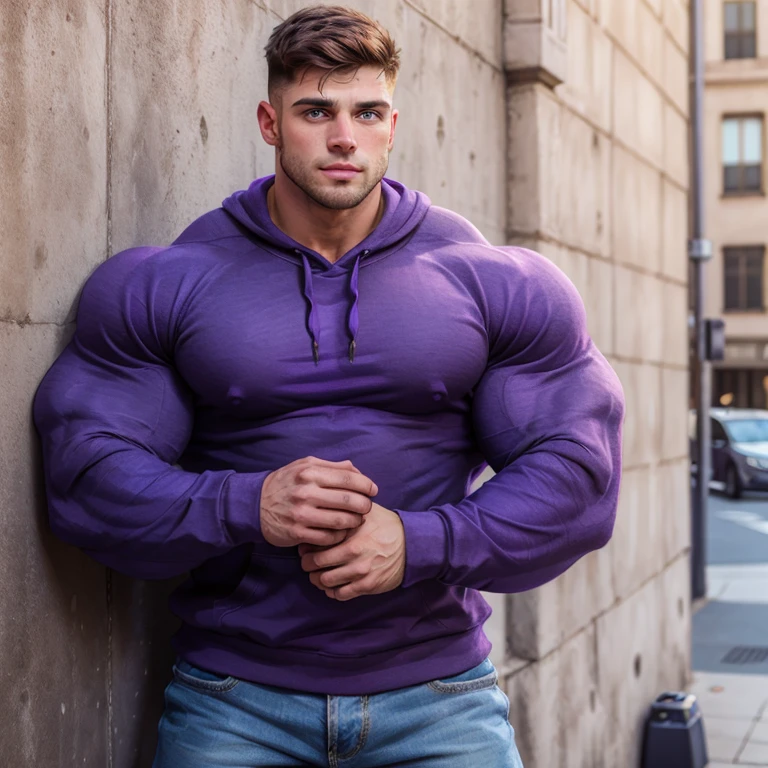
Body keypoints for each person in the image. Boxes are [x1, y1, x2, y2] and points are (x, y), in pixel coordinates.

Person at [33, 5, 624, 767]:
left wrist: (420, 541)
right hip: (233, 700)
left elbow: (580, 475)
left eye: (366, 111)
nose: (344, 136)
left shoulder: (489, 282)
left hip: (441, 698)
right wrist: (247, 503)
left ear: (391, 123)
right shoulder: (173, 281)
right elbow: (84, 476)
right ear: (270, 121)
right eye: (315, 110)